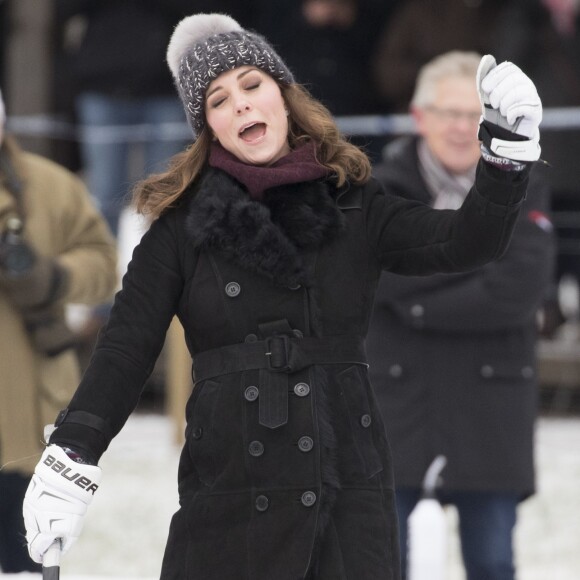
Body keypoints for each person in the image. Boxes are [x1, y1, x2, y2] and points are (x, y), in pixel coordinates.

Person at [22, 13, 543, 580]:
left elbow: (467, 240)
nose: (240, 105)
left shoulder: (355, 205)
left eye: (252, 85)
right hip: (230, 496)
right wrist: (70, 457)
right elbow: (124, 350)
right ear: (208, 127)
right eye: (218, 100)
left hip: (346, 488)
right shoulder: (179, 229)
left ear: (283, 96)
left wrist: (505, 156)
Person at [367, 51, 555, 580]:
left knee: (493, 563)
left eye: (474, 114)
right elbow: (377, 276)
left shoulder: (530, 185)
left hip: (490, 409)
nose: (461, 128)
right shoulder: (376, 190)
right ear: (418, 115)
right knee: (382, 562)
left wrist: (418, 297)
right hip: (394, 405)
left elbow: (518, 290)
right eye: (447, 112)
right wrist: (478, 256)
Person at [0, 88, 117, 573]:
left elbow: (105, 266)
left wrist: (56, 278)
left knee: (24, 563)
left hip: (27, 422)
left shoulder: (51, 186)